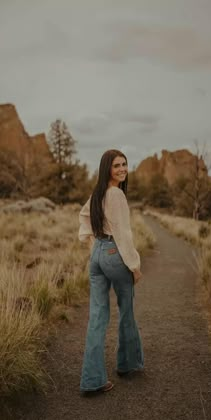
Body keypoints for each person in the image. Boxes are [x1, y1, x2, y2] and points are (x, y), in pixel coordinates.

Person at [78, 149, 144, 393]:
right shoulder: (115, 194)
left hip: (97, 255)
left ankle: (92, 380)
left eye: (124, 164)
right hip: (115, 255)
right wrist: (134, 267)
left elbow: (83, 216)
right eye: (117, 165)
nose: (122, 169)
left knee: (97, 317)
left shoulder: (99, 192)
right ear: (107, 168)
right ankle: (127, 364)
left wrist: (92, 243)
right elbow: (124, 235)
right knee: (126, 309)